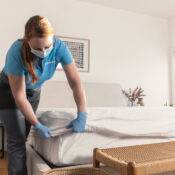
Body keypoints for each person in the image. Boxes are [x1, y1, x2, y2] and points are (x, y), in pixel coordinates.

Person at [0, 15, 87, 175]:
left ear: (52, 39)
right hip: (7, 91)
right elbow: (19, 97)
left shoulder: (59, 47)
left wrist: (82, 113)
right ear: (27, 40)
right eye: (38, 49)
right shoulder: (16, 52)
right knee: (17, 141)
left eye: (47, 47)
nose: (44, 52)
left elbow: (76, 83)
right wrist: (37, 124)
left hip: (33, 93)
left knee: (23, 138)